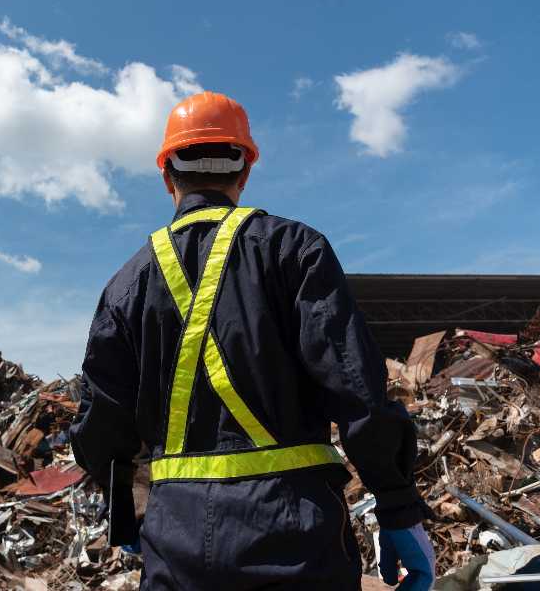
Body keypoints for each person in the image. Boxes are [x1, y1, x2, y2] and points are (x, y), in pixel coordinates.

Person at [69, 91, 435, 590]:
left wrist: (127, 516)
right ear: (244, 172)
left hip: (175, 542)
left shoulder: (126, 284)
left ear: (166, 176)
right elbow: (355, 389)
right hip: (295, 534)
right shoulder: (295, 249)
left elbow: (100, 427)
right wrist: (396, 506)